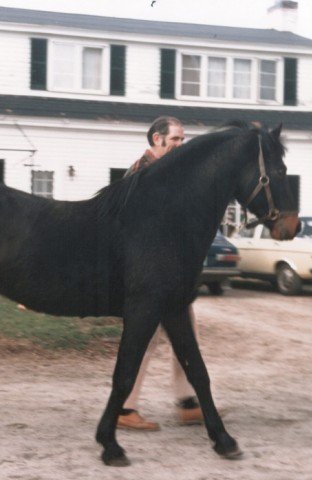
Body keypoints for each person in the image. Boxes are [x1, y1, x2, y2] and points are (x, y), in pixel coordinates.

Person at [116, 116, 203, 431]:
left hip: (168, 275)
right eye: (176, 139)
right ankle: (124, 408)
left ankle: (188, 402)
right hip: (147, 276)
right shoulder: (141, 172)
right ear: (157, 139)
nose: (181, 145)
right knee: (145, 339)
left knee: (187, 335)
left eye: (182, 139)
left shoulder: (171, 173)